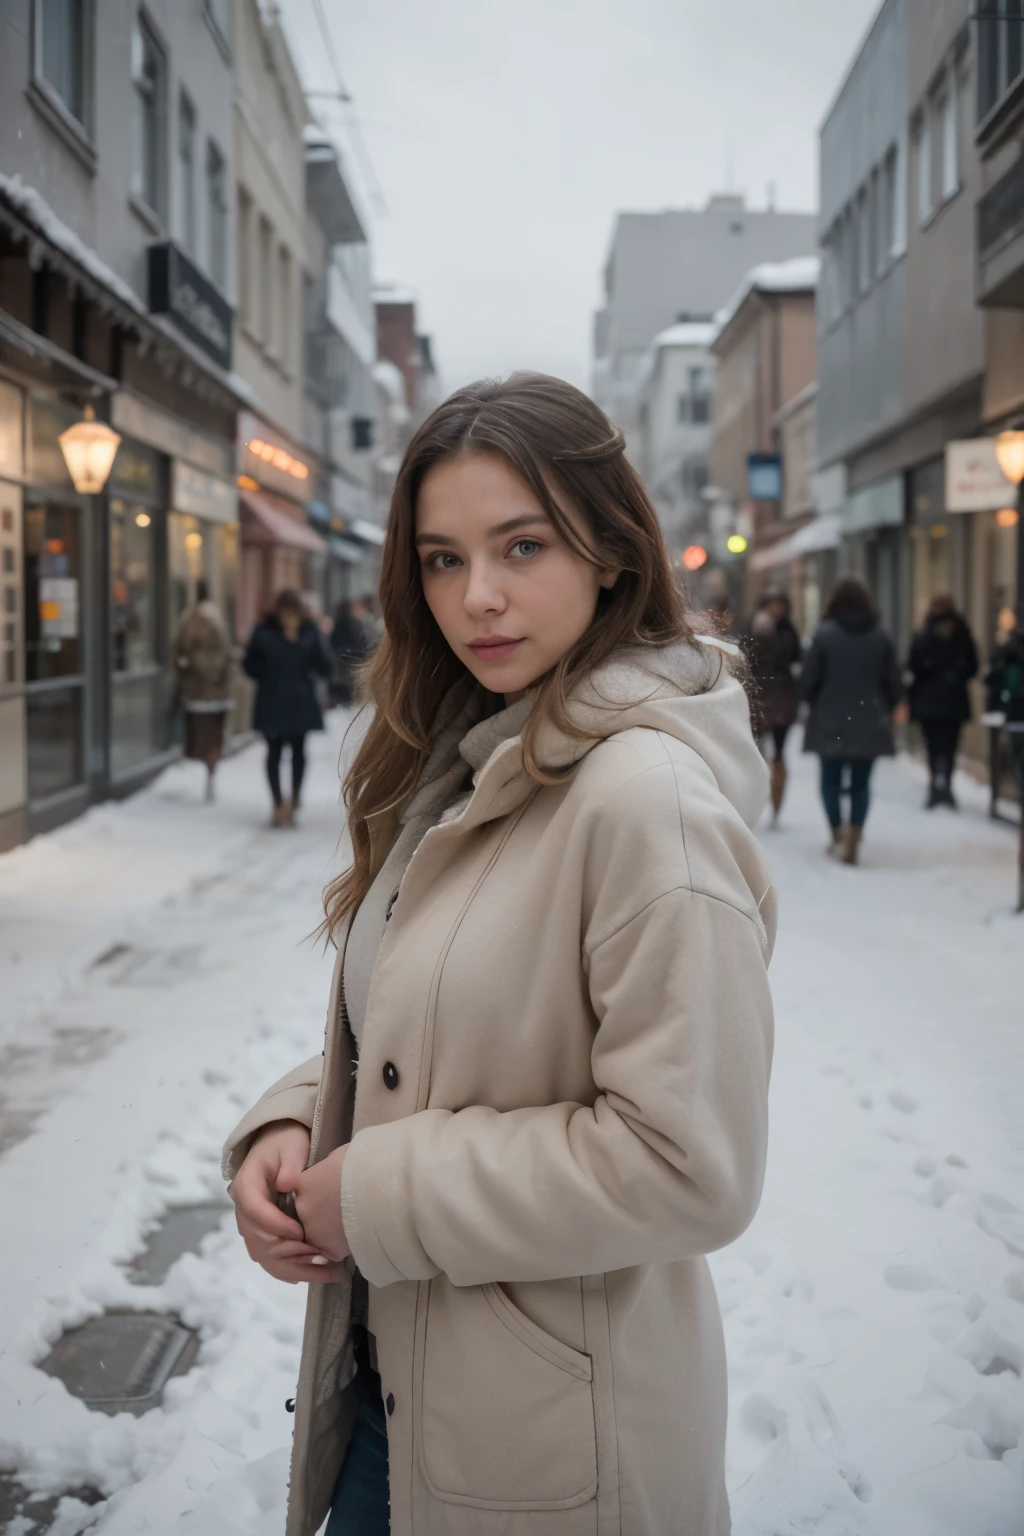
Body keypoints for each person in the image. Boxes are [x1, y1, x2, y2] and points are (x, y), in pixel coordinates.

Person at [224, 374, 776, 1536]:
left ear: (611, 550)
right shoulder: (476, 761)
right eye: (440, 559)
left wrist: (375, 1191)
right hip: (397, 1402)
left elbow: (690, 1165)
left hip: (549, 1454)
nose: (476, 597)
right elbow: (427, 1025)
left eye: (521, 545)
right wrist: (294, 1126)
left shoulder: (642, 802)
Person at [802, 577, 903, 865]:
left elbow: (808, 680)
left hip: (830, 717)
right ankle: (854, 834)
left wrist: (817, 704)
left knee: (829, 780)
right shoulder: (880, 636)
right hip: (869, 718)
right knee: (861, 783)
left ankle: (837, 833)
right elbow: (893, 682)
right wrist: (884, 706)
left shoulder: (824, 635)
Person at [243, 589, 330, 827]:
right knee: (274, 752)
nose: (289, 618)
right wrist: (267, 674)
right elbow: (250, 665)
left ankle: (294, 798)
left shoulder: (309, 631)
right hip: (272, 701)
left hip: (300, 702)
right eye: (285, 613)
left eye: (293, 613)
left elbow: (324, 664)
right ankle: (278, 803)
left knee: (299, 752)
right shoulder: (263, 632)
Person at [906, 594, 979, 809]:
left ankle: (935, 785)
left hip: (929, 700)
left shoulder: (923, 635)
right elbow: (972, 667)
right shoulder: (962, 634)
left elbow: (913, 666)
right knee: (950, 745)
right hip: (954, 699)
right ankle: (945, 783)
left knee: (933, 745)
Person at [742, 588, 802, 824]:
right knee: (758, 753)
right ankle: (758, 801)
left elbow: (796, 659)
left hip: (777, 698)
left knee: (776, 753)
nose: (777, 608)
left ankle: (775, 801)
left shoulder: (787, 629)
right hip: (762, 697)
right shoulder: (759, 627)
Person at [173, 581, 233, 801]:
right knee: (214, 737)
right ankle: (211, 769)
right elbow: (227, 658)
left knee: (201, 736)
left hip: (196, 692)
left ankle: (208, 769)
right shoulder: (220, 622)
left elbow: (179, 652)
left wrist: (182, 678)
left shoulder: (189, 623)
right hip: (218, 693)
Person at [328, 599, 371, 707]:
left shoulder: (337, 624)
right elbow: (362, 645)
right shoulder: (355, 624)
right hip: (353, 666)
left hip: (340, 666)